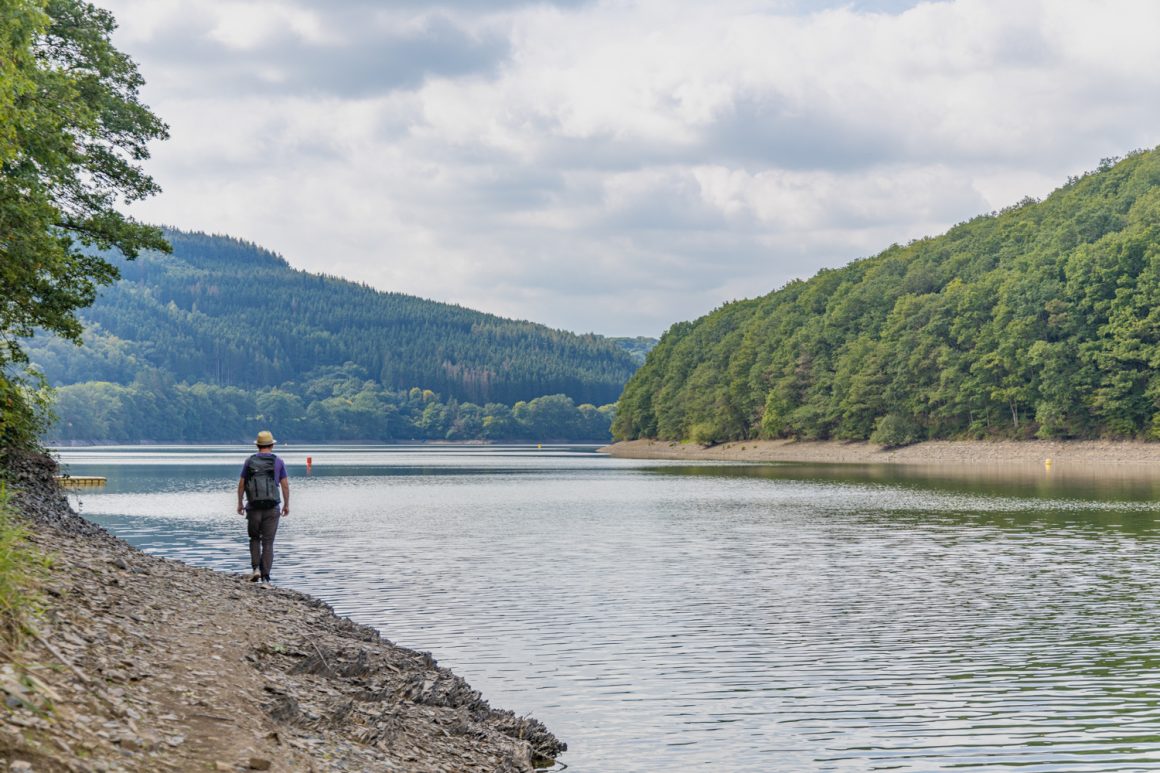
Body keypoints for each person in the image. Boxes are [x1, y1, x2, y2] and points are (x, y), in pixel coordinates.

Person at [236, 430, 289, 584]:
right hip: (272, 508)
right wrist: (286, 504)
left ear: (258, 445)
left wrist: (240, 503)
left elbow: (241, 484)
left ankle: (256, 569)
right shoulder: (278, 461)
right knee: (268, 542)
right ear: (272, 445)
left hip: (253, 506)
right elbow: (285, 486)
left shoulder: (249, 461)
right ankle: (266, 578)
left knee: (254, 538)